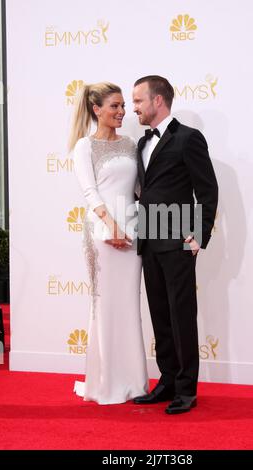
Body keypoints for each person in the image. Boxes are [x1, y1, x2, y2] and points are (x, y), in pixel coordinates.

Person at [132, 75, 218, 414]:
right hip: (149, 241)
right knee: (160, 315)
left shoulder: (188, 139)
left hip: (179, 242)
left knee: (182, 316)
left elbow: (207, 190)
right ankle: (167, 381)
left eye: (138, 100)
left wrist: (199, 235)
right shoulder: (141, 144)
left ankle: (186, 389)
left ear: (158, 101)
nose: (133, 107)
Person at [69, 82, 148, 405]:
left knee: (129, 305)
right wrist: (111, 226)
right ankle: (105, 383)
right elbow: (90, 193)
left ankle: (133, 382)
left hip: (132, 234)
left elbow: (142, 190)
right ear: (96, 109)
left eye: (123, 106)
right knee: (104, 306)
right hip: (102, 236)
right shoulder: (84, 147)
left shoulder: (131, 144)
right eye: (114, 106)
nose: (121, 112)